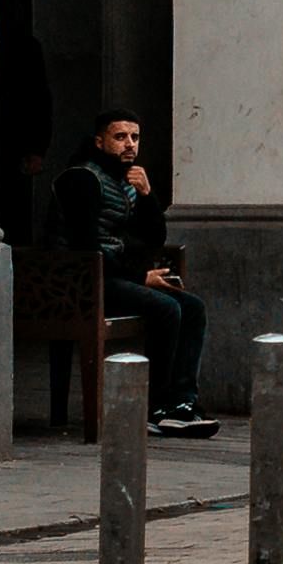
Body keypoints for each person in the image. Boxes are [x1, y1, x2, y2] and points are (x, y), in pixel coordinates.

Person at [48, 114, 217, 435]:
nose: (129, 144)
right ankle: (155, 406)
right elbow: (86, 246)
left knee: (192, 307)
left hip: (112, 276)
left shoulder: (126, 181)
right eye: (120, 137)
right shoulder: (82, 178)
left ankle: (181, 402)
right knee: (166, 308)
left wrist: (147, 195)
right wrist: (142, 277)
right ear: (100, 142)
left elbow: (153, 238)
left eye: (135, 137)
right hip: (81, 283)